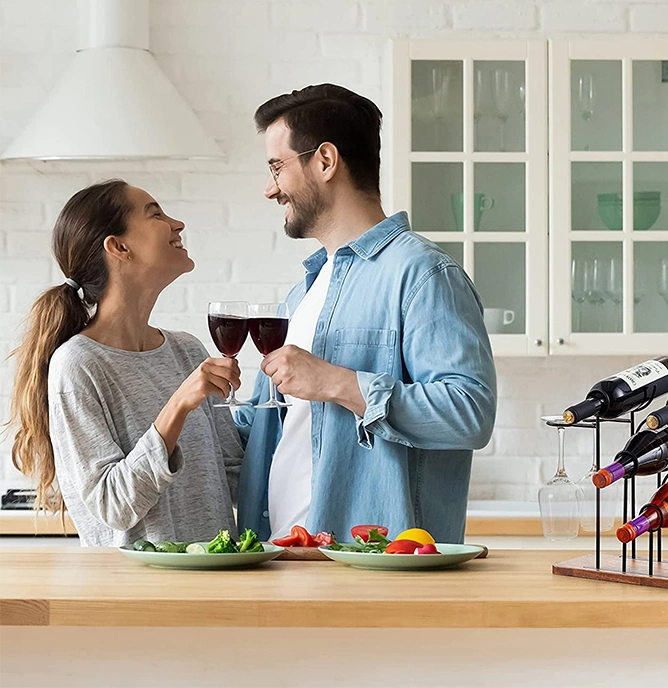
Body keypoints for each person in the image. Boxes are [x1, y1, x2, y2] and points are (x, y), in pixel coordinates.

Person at [235, 84, 497, 544]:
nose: (269, 188)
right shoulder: (303, 292)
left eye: (277, 166)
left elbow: (470, 413)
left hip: (377, 569)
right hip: (282, 556)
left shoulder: (422, 274)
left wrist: (338, 382)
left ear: (325, 160)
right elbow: (266, 427)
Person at [7, 180, 243, 546]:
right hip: (137, 595)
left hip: (215, 589)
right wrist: (177, 407)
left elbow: (235, 475)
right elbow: (113, 506)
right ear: (118, 247)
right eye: (155, 214)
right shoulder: (78, 364)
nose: (177, 223)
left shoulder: (187, 351)